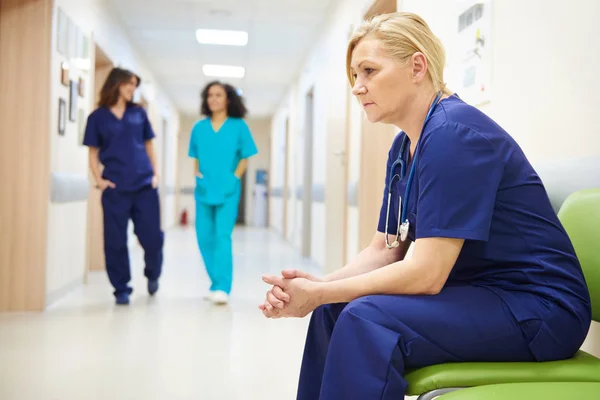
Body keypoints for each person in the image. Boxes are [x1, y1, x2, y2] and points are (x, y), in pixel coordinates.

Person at [258, 12, 591, 400]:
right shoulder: (405, 147)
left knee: (366, 321)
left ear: (417, 66)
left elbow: (427, 274)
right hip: (481, 295)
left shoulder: (455, 135)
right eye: (354, 76)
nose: (357, 87)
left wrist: (323, 293)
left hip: (538, 309)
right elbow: (384, 249)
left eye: (369, 71)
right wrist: (320, 287)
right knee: (331, 312)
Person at [83, 67, 163, 306]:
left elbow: (149, 145)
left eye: (135, 85)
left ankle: (152, 274)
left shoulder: (138, 113)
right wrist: (99, 179)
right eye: (129, 84)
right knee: (115, 241)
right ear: (116, 83)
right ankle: (121, 288)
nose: (132, 89)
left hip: (144, 186)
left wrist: (155, 174)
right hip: (115, 188)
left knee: (152, 238)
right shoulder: (97, 117)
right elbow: (93, 152)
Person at [188, 81, 258, 305]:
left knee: (222, 236)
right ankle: (214, 282)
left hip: (228, 189)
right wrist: (197, 176)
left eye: (218, 95)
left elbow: (246, 157)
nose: (213, 99)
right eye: (210, 95)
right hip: (204, 188)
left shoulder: (238, 126)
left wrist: (234, 177)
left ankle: (223, 287)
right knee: (203, 236)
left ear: (228, 99)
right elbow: (195, 156)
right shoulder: (199, 127)